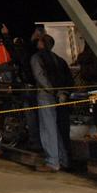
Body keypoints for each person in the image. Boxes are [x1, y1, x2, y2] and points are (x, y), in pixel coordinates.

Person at [31, 34, 71, 171]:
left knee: (48, 129)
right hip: (61, 96)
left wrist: (51, 90)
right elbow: (68, 78)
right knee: (60, 129)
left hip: (46, 96)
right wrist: (62, 92)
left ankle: (52, 162)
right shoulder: (59, 59)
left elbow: (39, 76)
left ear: (42, 43)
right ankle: (64, 160)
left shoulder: (37, 57)